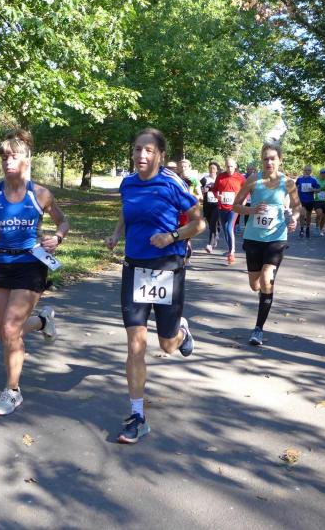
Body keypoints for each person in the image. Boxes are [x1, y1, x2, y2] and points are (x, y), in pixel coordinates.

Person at [105, 128, 205, 444]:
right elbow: (127, 211)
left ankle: (181, 332)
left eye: (149, 150)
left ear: (160, 155)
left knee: (167, 345)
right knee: (136, 344)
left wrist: (171, 236)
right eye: (138, 149)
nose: (142, 155)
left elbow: (199, 223)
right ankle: (137, 416)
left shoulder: (172, 183)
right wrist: (116, 234)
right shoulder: (128, 183)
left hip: (166, 267)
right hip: (134, 268)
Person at [0, 129, 69, 416]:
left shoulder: (40, 194)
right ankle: (42, 321)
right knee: (4, 332)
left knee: (11, 328)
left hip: (31, 263)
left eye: (13, 156)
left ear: (27, 159)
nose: (8, 161)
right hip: (3, 264)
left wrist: (57, 238)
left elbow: (63, 222)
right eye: (4, 156)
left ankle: (12, 391)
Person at [232, 143, 300, 346]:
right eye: (265, 158)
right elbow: (235, 206)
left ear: (280, 160)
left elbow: (297, 206)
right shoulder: (253, 180)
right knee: (255, 285)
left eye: (272, 158)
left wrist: (294, 218)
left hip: (276, 239)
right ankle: (262, 292)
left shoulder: (288, 182)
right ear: (261, 160)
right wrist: (252, 210)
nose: (269, 162)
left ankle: (258, 329)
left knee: (266, 279)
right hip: (253, 238)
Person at [211, 157, 245, 264]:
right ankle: (230, 248)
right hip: (222, 207)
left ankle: (231, 252)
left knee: (230, 227)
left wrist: (244, 201)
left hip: (234, 207)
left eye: (231, 166)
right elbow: (215, 189)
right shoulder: (220, 176)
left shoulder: (240, 178)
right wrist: (217, 196)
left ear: (235, 166)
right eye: (227, 166)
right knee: (225, 229)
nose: (229, 168)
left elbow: (246, 191)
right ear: (225, 166)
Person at [296, 165, 320, 238]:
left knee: (308, 216)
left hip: (310, 200)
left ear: (311, 171)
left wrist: (313, 189)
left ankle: (308, 228)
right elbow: (294, 187)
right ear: (303, 171)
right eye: (305, 170)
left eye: (308, 170)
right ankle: (301, 229)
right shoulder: (299, 179)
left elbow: (318, 190)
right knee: (302, 215)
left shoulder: (313, 180)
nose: (307, 172)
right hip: (301, 200)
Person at [201, 161, 220, 253]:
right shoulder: (204, 179)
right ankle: (216, 234)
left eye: (214, 168)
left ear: (217, 170)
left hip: (217, 204)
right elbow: (199, 190)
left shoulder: (219, 179)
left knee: (213, 224)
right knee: (211, 225)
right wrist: (203, 190)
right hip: (207, 205)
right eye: (210, 168)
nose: (212, 170)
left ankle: (210, 244)